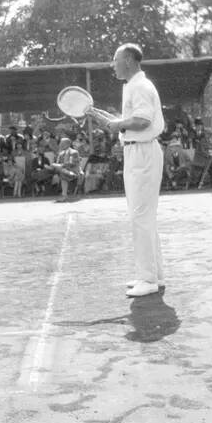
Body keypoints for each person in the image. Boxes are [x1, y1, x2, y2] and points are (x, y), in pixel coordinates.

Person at [89, 43, 166, 297]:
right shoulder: (133, 86)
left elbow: (142, 122)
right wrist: (111, 120)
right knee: (144, 217)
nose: (113, 64)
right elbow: (129, 121)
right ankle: (154, 275)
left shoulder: (141, 86)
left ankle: (148, 279)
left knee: (140, 216)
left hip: (143, 152)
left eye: (116, 59)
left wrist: (115, 124)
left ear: (130, 61)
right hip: (136, 152)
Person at [54, 136, 81, 202]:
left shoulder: (74, 152)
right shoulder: (61, 153)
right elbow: (58, 163)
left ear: (67, 144)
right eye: (60, 143)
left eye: (62, 143)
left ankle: (64, 195)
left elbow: (72, 163)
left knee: (62, 172)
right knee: (50, 169)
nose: (60, 145)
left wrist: (61, 166)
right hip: (62, 170)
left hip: (73, 172)